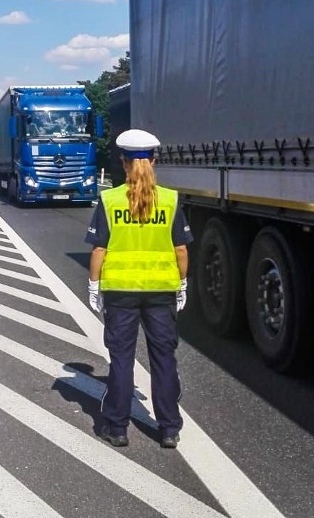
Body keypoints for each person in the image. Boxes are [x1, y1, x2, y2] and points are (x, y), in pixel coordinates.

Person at [84, 128, 192, 449]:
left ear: (122, 162)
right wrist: (182, 283)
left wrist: (94, 286)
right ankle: (169, 428)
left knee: (121, 359)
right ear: (154, 160)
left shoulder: (110, 199)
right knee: (163, 358)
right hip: (161, 293)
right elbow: (181, 250)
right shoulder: (170, 200)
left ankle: (117, 428)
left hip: (120, 293)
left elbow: (99, 250)